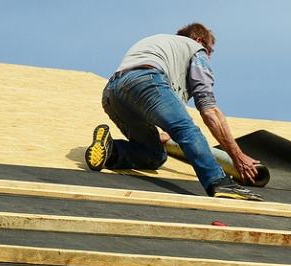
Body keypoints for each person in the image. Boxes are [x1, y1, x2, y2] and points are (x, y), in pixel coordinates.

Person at [85, 22, 261, 200]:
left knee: (154, 155)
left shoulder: (162, 46)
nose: (208, 56)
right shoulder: (195, 50)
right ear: (200, 40)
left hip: (113, 93)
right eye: (210, 51)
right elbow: (209, 110)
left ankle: (111, 148)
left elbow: (160, 112)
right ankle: (219, 182)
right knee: (188, 130)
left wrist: (164, 135)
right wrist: (238, 157)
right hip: (147, 80)